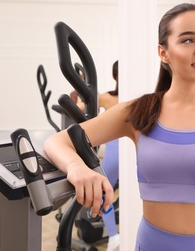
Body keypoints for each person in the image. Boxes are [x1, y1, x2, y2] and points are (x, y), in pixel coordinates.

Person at [44, 3, 195, 251]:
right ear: (164, 52)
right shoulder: (139, 112)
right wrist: (77, 168)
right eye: (188, 40)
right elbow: (56, 142)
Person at [71, 61, 120, 250]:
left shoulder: (107, 98)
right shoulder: (138, 97)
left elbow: (80, 107)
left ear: (114, 77)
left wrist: (80, 84)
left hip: (115, 154)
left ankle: (114, 236)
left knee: (102, 192)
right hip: (135, 151)